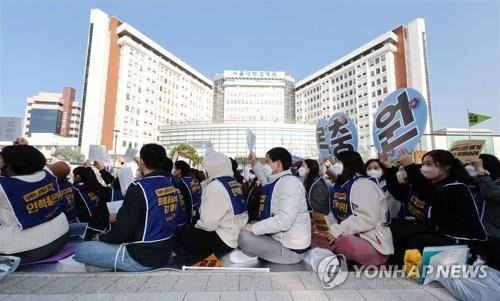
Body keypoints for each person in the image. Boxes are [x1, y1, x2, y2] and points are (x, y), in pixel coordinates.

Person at [74, 144, 181, 271]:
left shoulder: (138, 187)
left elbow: (122, 233)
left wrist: (101, 237)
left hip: (142, 256)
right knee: (92, 266)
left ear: (141, 162)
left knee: (82, 250)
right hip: (165, 250)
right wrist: (120, 217)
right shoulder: (170, 184)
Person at [391, 149, 487, 264]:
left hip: (456, 240)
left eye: (429, 164)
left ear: (446, 166)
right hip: (434, 231)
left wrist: (410, 167)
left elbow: (433, 196)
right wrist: (388, 169)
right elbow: (399, 193)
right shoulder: (427, 185)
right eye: (423, 164)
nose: (424, 168)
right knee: (396, 228)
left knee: (418, 240)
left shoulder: (456, 187)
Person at [311, 151, 393, 266]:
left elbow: (366, 219)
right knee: (314, 234)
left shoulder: (364, 184)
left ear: (348, 164)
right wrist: (324, 227)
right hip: (347, 234)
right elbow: (335, 215)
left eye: (338, 161)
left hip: (372, 242)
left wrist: (336, 231)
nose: (334, 165)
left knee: (344, 242)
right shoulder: (341, 185)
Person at [236, 147, 311, 264]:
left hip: (291, 250)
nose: (266, 165)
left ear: (278, 164)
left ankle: (251, 252)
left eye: (267, 162)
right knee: (251, 224)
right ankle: (255, 249)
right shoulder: (280, 180)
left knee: (244, 236)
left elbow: (284, 221)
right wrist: (254, 162)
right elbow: (263, 178)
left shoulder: (289, 184)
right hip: (280, 239)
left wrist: (253, 229)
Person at [0, 143, 69, 263]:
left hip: (26, 250)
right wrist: (24, 151)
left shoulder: (4, 186)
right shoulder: (47, 173)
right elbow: (63, 166)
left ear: (8, 166)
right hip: (62, 235)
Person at [176, 151, 248, 258]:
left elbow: (207, 224)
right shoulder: (232, 182)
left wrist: (194, 230)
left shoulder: (215, 187)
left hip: (225, 238)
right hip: (237, 232)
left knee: (182, 233)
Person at [174, 160, 201, 225]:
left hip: (190, 214)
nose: (174, 171)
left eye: (175, 168)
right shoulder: (194, 179)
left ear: (179, 170)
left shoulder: (181, 183)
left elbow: (184, 202)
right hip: (199, 211)